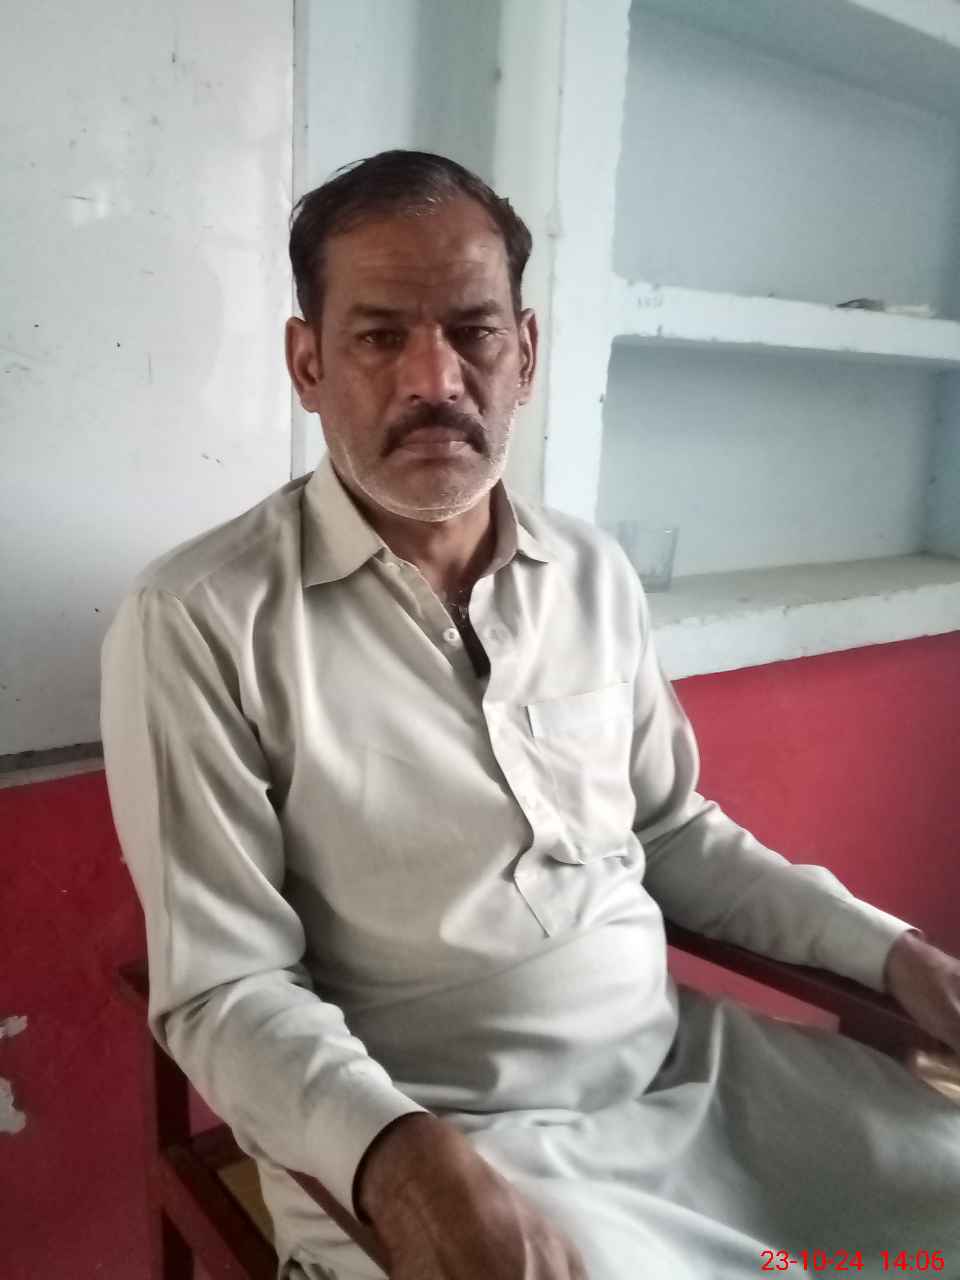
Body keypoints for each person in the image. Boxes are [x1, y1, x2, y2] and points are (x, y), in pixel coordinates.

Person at [101, 150, 960, 1280]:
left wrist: (893, 954)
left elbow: (671, 834)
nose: (435, 379)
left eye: (473, 331)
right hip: (444, 1142)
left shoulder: (591, 573)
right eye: (379, 336)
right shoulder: (198, 621)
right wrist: (395, 1156)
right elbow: (225, 986)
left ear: (527, 353)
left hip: (685, 1073)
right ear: (307, 364)